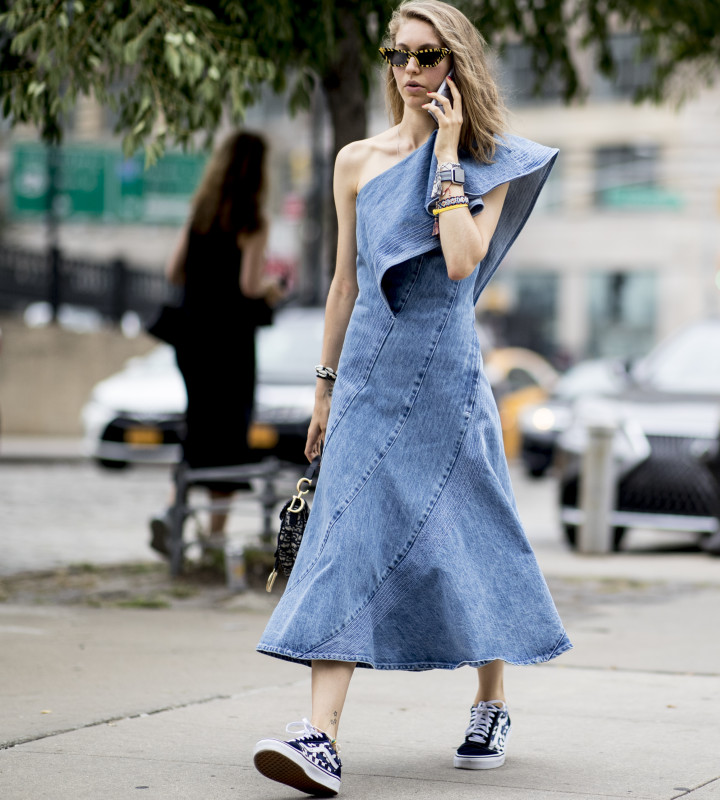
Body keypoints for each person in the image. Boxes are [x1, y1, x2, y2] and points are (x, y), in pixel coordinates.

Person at [250, 2, 571, 795]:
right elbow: (343, 283)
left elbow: (462, 261)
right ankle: (319, 736)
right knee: (344, 536)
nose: (413, 70)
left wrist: (452, 151)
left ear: (456, 65)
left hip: (446, 376)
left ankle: (491, 700)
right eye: (400, 55)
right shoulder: (355, 160)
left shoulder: (493, 160)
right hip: (366, 375)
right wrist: (324, 389)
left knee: (473, 535)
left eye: (429, 56)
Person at [150, 131, 284, 554]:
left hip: (191, 340)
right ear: (258, 172)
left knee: (198, 425)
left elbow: (174, 271)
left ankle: (174, 512)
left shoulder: (201, 213)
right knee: (229, 433)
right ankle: (213, 536)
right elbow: (248, 285)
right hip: (230, 345)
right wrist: (273, 287)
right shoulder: (252, 220)